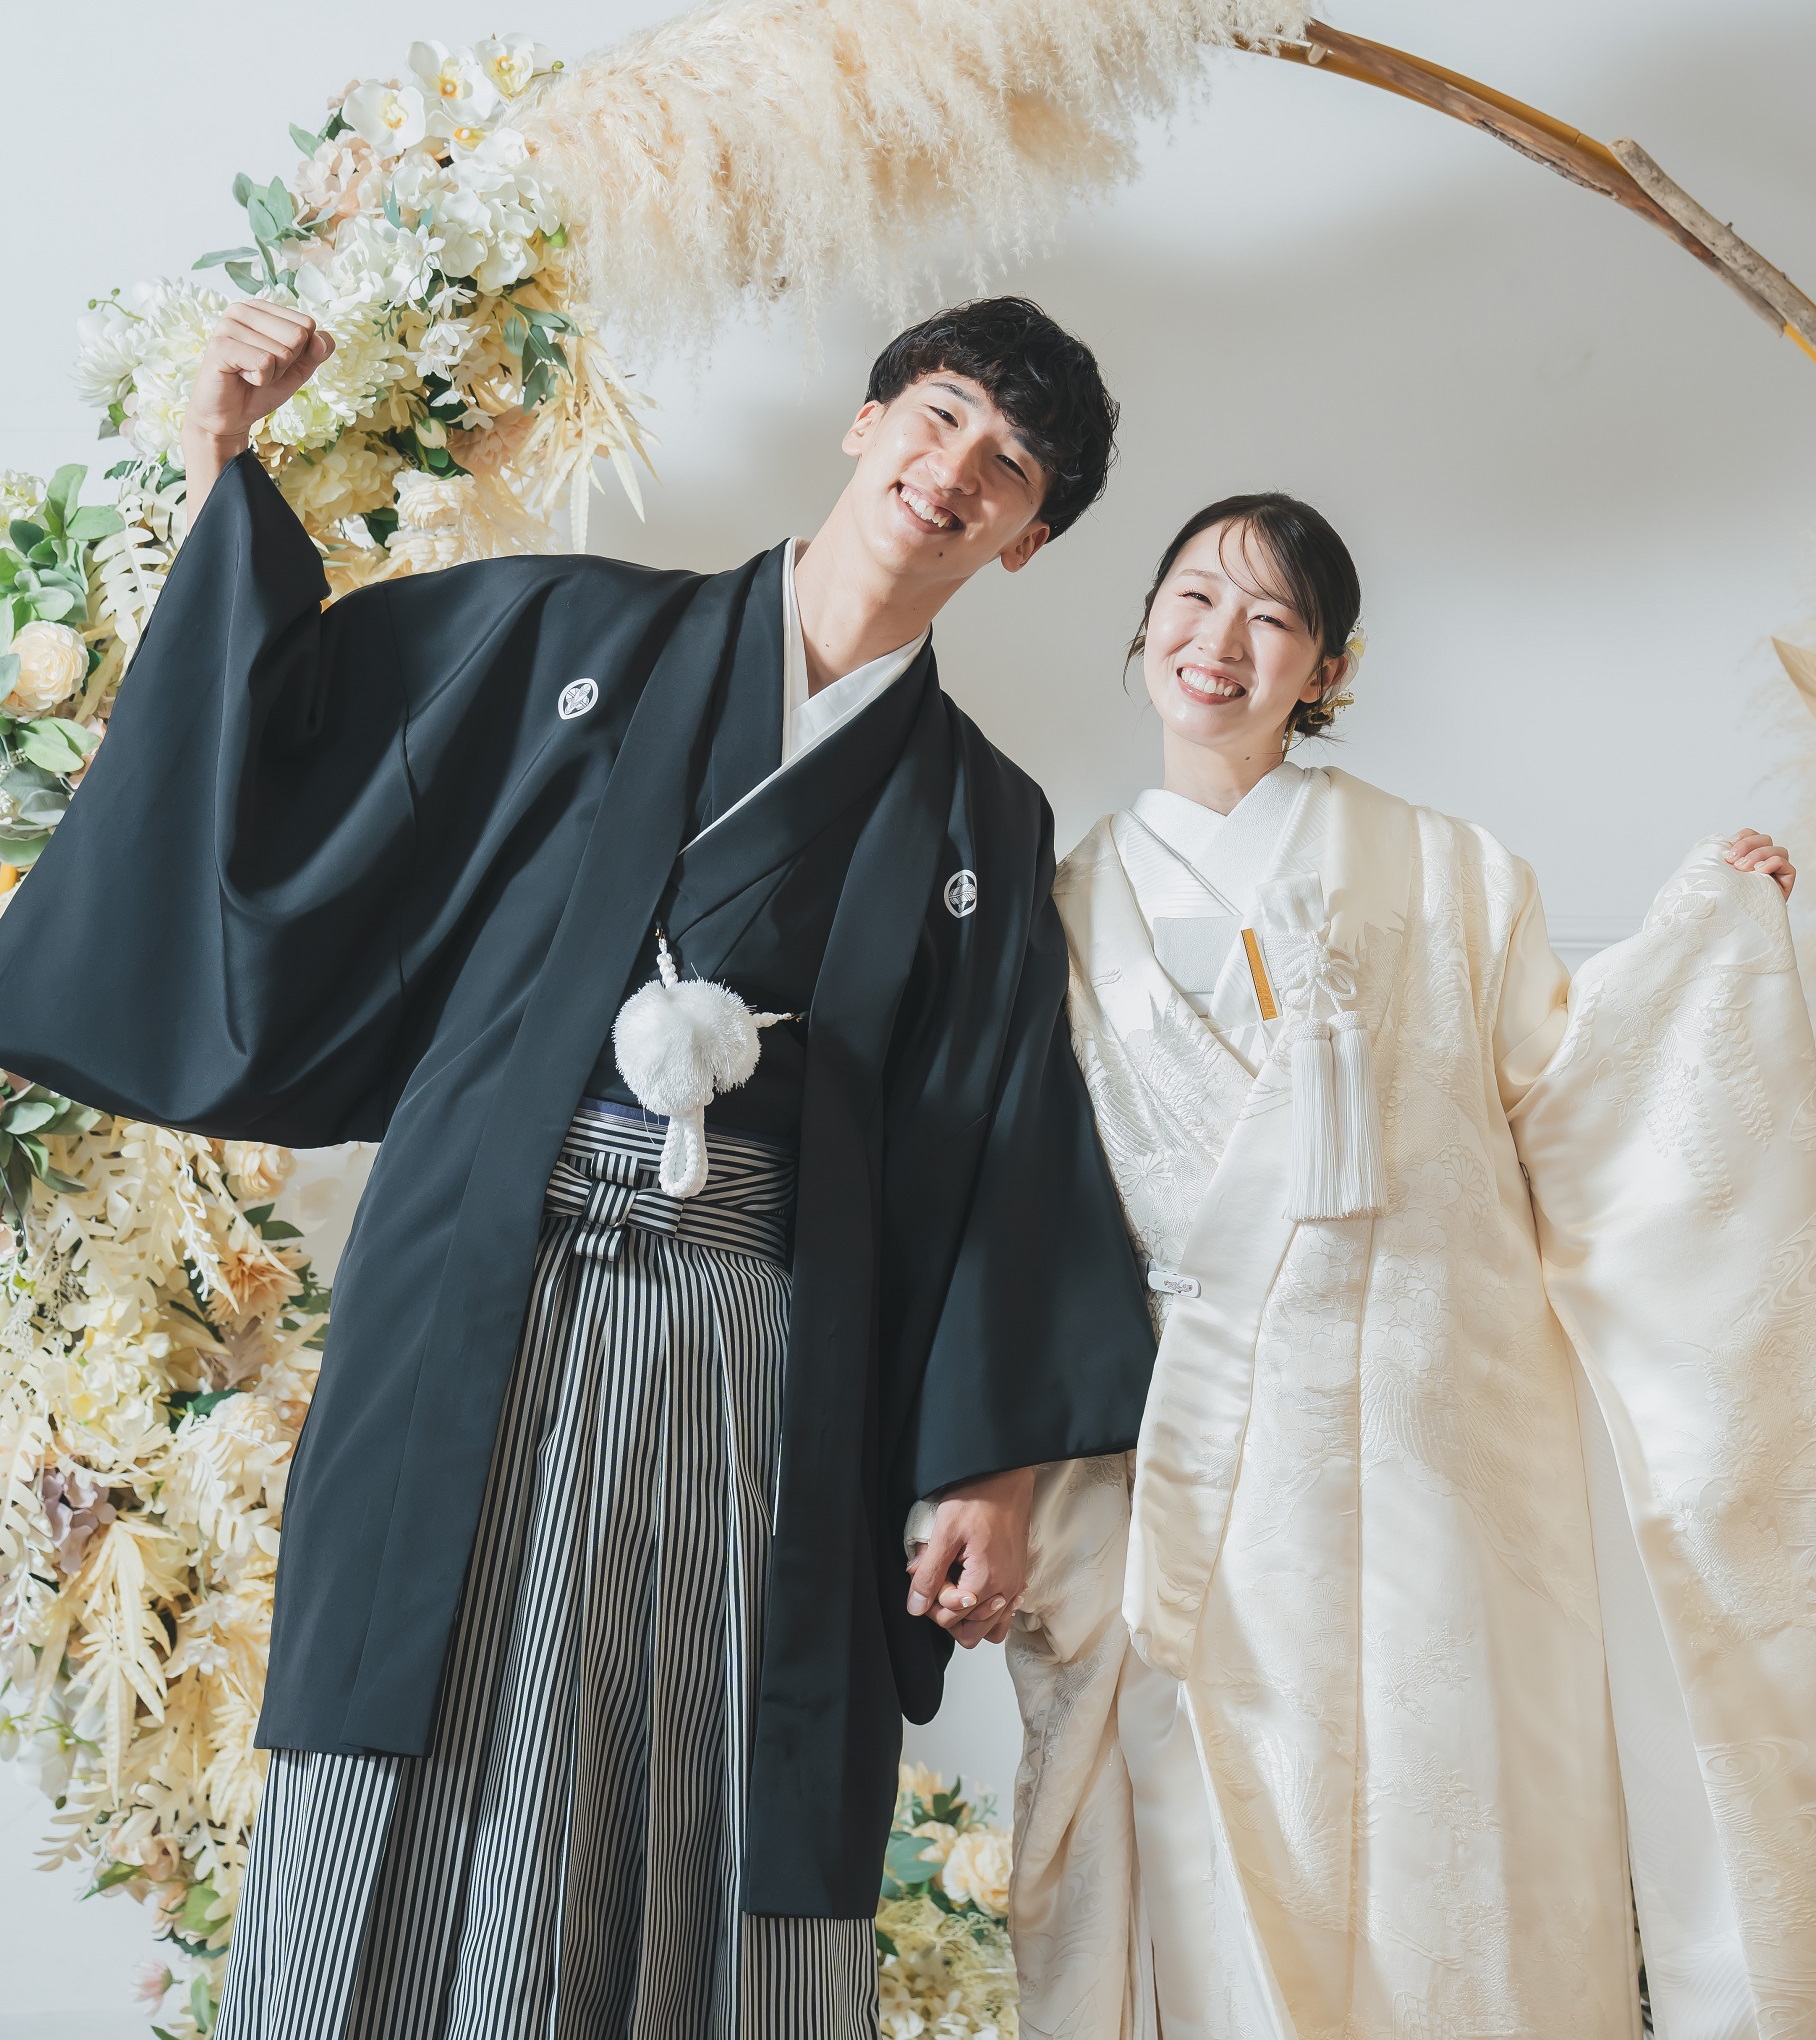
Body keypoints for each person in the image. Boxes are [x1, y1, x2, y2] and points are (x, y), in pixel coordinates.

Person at [0, 294, 1157, 2040]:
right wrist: (224, 453)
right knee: (415, 1705)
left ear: (1027, 540)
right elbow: (295, 747)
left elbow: (998, 1136)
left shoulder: (982, 815)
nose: (954, 472)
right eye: (938, 418)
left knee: (698, 1751)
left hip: (755, 1349)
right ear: (866, 425)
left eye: (1008, 469)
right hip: (487, 1283)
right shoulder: (572, 632)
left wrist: (983, 1467)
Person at [1008, 492, 1816, 2040]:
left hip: (1442, 1457)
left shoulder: (1444, 871)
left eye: (1272, 618)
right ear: (1146, 621)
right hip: (1195, 1460)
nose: (1220, 641)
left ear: (1327, 669)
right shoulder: (1063, 909)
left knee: (1460, 1860)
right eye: (1193, 598)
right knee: (1217, 1861)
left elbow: (1573, 1096)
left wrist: (1699, 944)